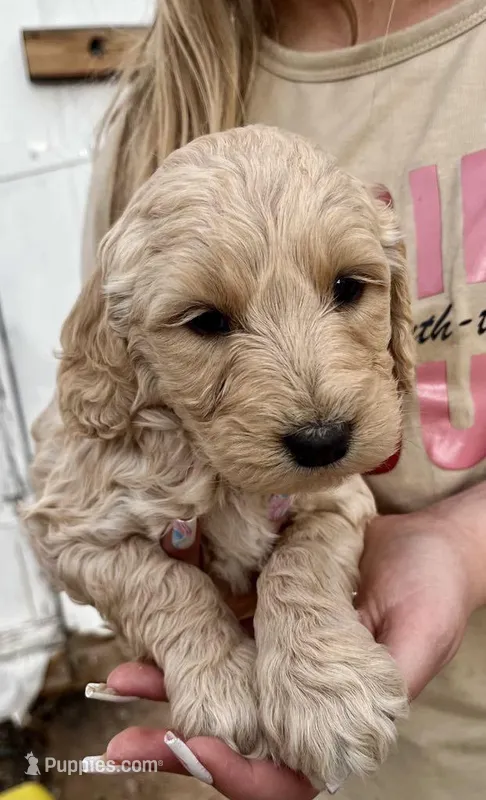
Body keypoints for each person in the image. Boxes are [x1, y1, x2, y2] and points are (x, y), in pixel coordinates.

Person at [80, 1, 486, 798]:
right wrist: (181, 607)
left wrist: (463, 546)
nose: (314, 411)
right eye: (208, 319)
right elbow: (96, 471)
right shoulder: (163, 112)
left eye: (347, 288)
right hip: (316, 751)